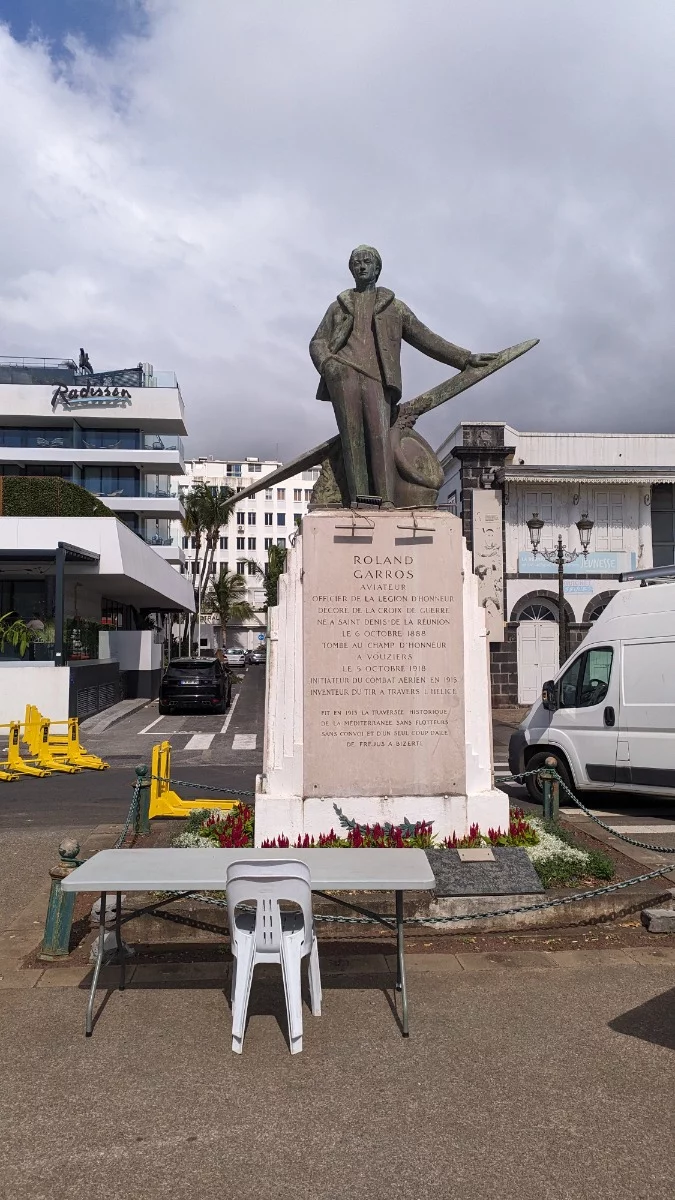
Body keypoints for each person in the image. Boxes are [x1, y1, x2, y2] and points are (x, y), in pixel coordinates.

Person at [310, 245, 497, 507]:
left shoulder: (394, 307)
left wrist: (464, 358)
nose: (361, 266)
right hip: (344, 374)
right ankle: (360, 499)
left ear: (377, 269)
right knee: (352, 440)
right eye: (356, 263)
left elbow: (425, 337)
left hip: (378, 378)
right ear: (351, 270)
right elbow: (318, 341)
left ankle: (386, 499)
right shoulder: (338, 307)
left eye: (367, 262)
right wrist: (328, 364)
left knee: (381, 439)